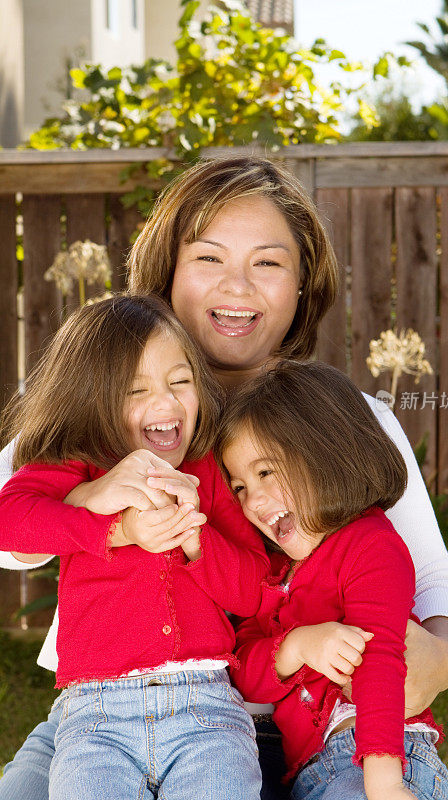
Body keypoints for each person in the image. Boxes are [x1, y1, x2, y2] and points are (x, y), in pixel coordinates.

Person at [0, 156, 448, 800]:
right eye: (209, 258)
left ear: (304, 286)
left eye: (269, 262)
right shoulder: (103, 415)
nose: (238, 286)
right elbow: (13, 534)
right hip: (105, 712)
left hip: (312, 723)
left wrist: (440, 660)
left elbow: (437, 580)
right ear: (165, 274)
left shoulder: (350, 420)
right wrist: (97, 497)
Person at [0, 294, 269, 800]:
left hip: (206, 710)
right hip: (95, 717)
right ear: (92, 399)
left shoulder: (207, 471)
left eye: (180, 381)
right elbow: (9, 522)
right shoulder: (77, 463)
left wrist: (197, 540)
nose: (165, 403)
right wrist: (113, 525)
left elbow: (254, 590)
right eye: (135, 390)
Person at [217, 360, 448, 800]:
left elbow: (382, 662)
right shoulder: (273, 573)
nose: (254, 500)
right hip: (312, 772)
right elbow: (248, 675)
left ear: (324, 453)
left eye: (266, 472)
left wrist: (382, 782)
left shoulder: (369, 545)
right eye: (239, 487)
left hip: (376, 758)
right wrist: (296, 646)